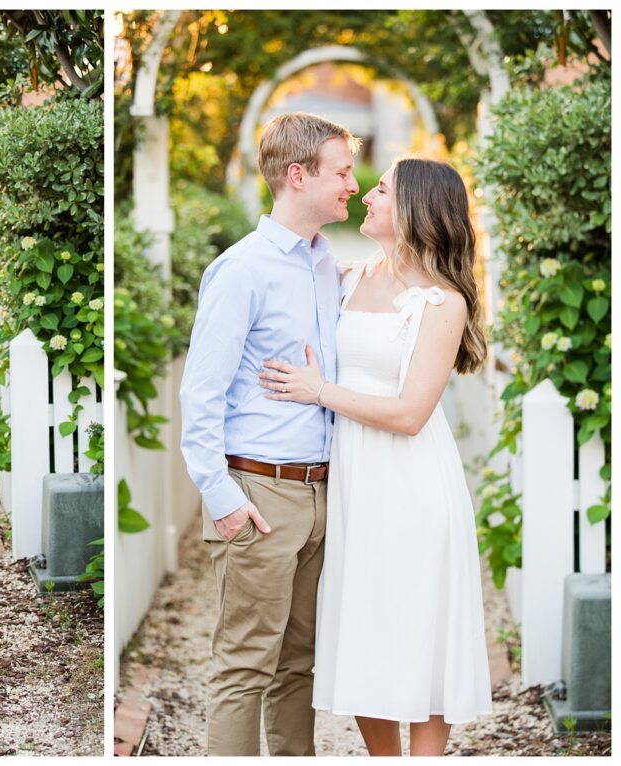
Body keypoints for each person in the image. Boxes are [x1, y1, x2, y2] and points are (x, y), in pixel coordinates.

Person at [258, 158, 493, 755]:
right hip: (355, 484)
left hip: (413, 486)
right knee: (363, 628)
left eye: (381, 189)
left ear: (413, 208)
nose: (365, 195)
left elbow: (412, 413)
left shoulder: (442, 302)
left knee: (420, 625)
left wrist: (319, 391)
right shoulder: (351, 277)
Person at [179, 112, 361, 756]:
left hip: (321, 491)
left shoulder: (323, 264)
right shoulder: (243, 270)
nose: (353, 184)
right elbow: (200, 392)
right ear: (297, 175)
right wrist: (221, 495)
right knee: (244, 666)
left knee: (298, 666)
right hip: (258, 493)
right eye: (341, 172)